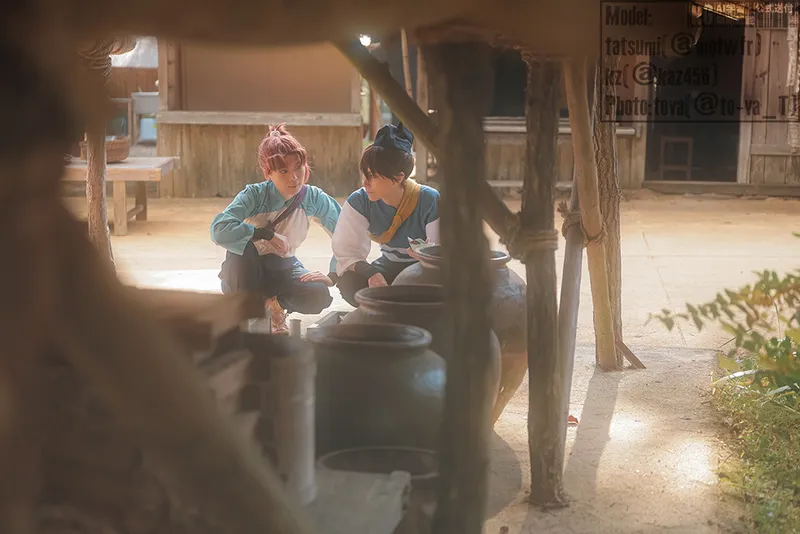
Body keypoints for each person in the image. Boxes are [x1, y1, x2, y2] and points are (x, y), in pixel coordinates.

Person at [210, 124, 341, 334]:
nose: (294, 177)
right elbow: (219, 230)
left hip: (284, 268)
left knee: (319, 294)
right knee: (243, 248)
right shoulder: (254, 195)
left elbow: (345, 234)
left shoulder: (313, 198)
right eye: (283, 171)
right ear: (268, 173)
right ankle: (249, 308)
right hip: (245, 271)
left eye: (298, 167)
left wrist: (333, 275)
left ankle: (275, 307)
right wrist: (266, 235)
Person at [332, 121, 440, 307]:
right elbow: (347, 251)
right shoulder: (359, 201)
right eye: (365, 174)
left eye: (373, 175)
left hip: (423, 271)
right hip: (388, 266)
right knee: (349, 283)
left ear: (398, 178)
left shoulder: (429, 200)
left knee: (434, 288)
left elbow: (439, 254)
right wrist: (371, 273)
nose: (365, 182)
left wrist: (424, 257)